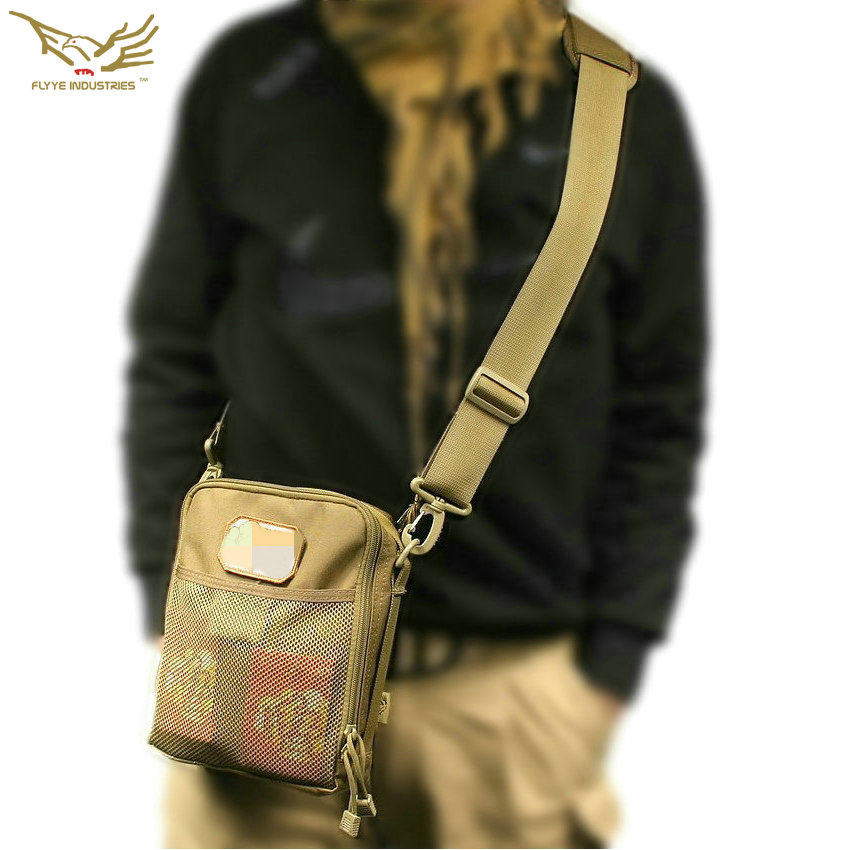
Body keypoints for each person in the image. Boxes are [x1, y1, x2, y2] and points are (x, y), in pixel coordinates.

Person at [126, 1, 705, 846]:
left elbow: (659, 411)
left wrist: (606, 667)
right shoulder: (253, 71)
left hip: (507, 705)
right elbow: (174, 353)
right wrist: (170, 594)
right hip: (256, 656)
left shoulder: (620, 106)